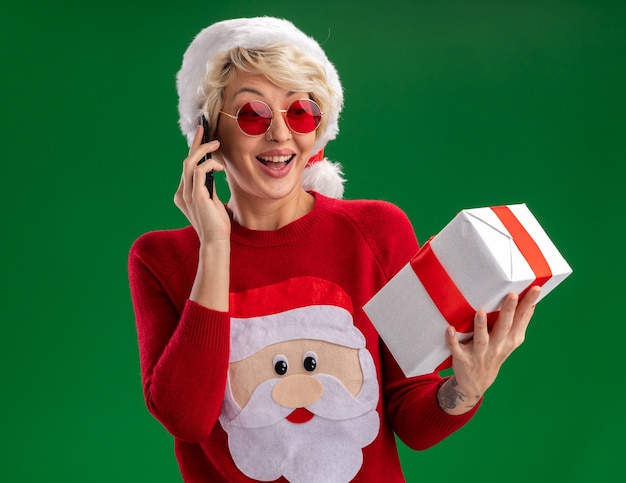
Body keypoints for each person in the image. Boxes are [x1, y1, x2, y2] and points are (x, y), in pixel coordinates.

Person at [128, 16, 541, 483]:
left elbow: (410, 416)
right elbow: (187, 419)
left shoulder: (377, 231)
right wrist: (216, 245)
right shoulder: (160, 260)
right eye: (252, 114)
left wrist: (464, 390)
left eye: (300, 112)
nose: (281, 135)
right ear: (207, 135)